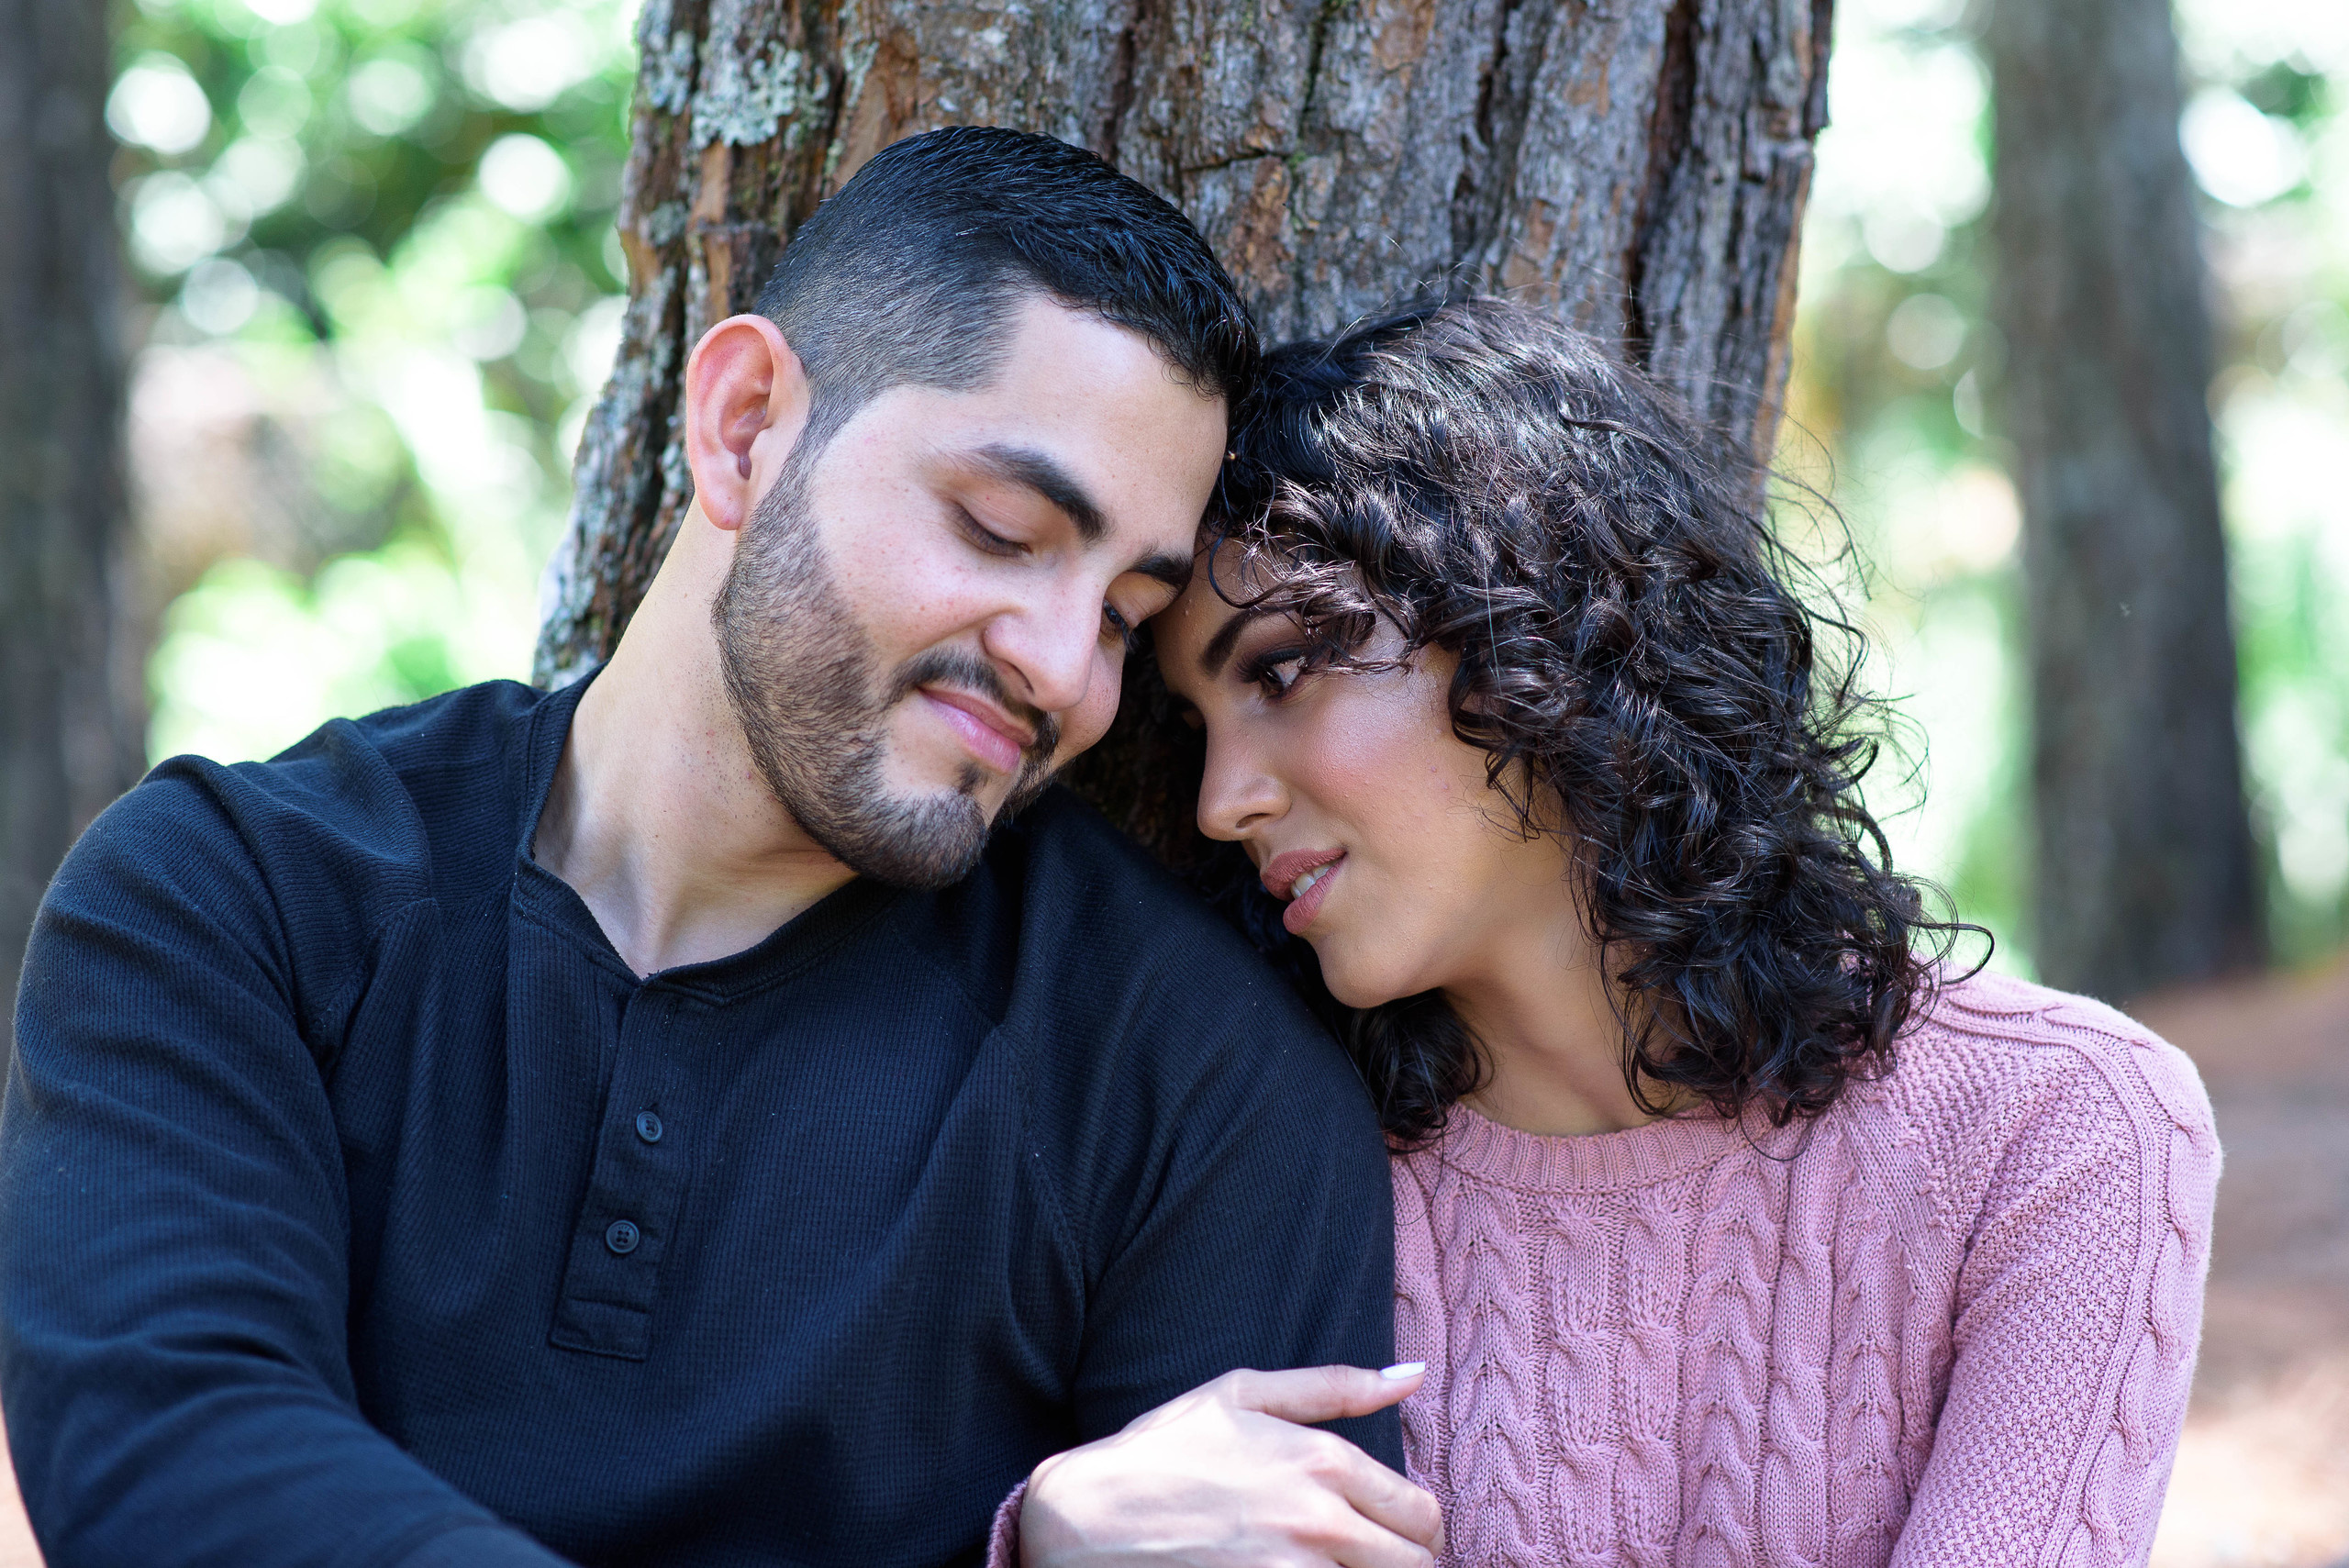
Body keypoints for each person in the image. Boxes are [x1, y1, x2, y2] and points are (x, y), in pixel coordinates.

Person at [0, 128, 1431, 1568]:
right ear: (745, 424)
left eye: (1125, 611)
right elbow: (173, 1469)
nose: (1067, 670)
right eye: (1002, 530)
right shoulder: (229, 900)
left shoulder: (1197, 1088)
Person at [1026, 296, 2222, 1564]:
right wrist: (1046, 1538)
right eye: (1200, 726)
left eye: (1279, 670)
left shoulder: (2053, 1133)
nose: (1224, 802)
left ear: (1528, 617)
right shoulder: (1278, 1174)